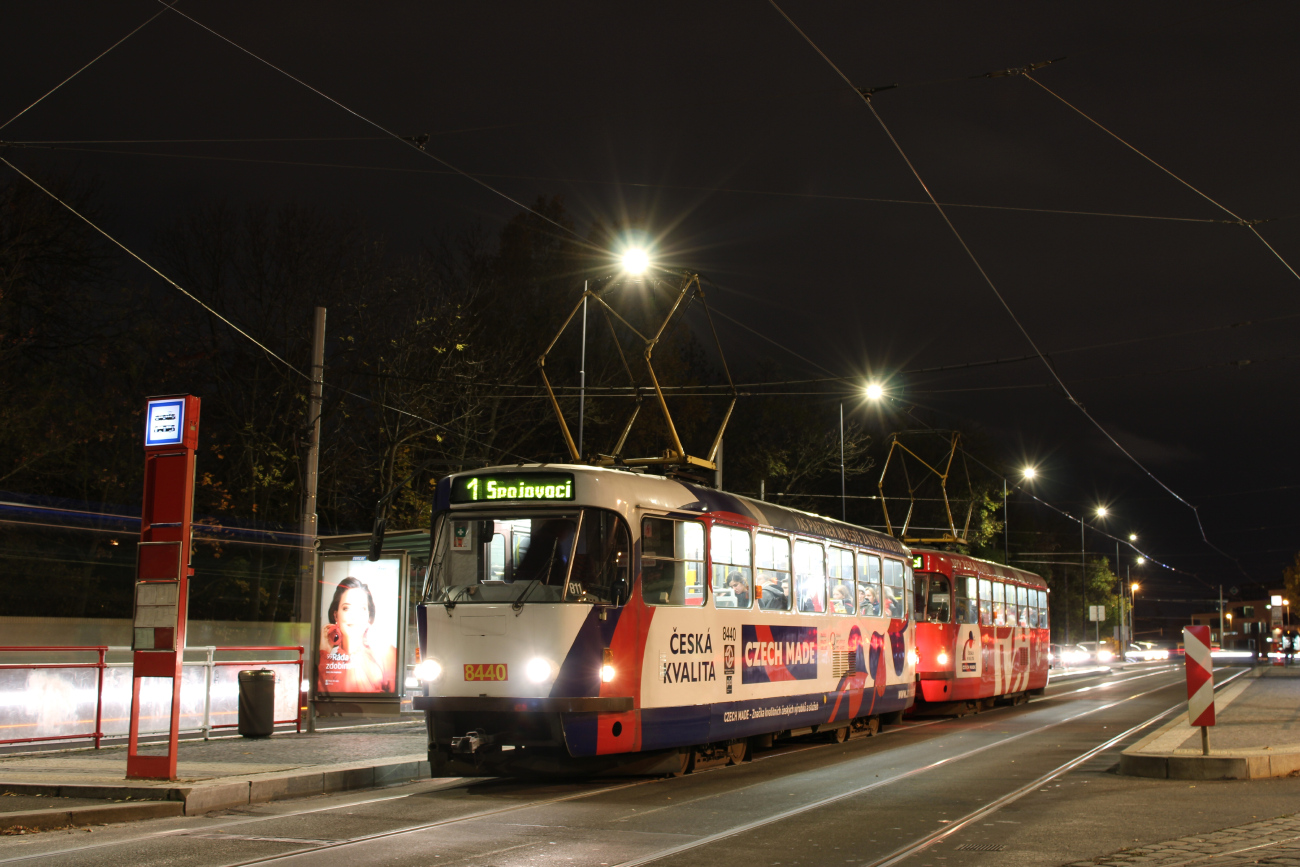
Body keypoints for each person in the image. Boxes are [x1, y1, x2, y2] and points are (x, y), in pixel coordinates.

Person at [319, 576, 398, 694]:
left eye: (362, 608)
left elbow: (396, 699)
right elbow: (322, 697)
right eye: (346, 608)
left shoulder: (386, 654)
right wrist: (324, 652)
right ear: (335, 615)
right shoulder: (327, 658)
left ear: (369, 615)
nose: (354, 616)